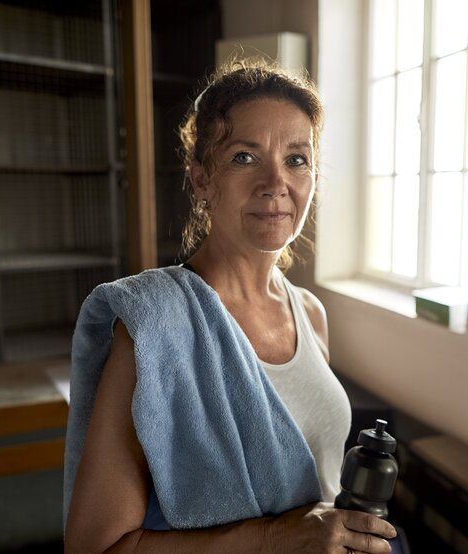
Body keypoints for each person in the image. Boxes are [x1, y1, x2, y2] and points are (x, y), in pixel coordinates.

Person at [63, 60, 397, 553]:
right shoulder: (156, 328)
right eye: (244, 157)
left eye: (297, 159)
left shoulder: (310, 314)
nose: (275, 182)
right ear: (201, 179)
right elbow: (96, 547)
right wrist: (271, 539)